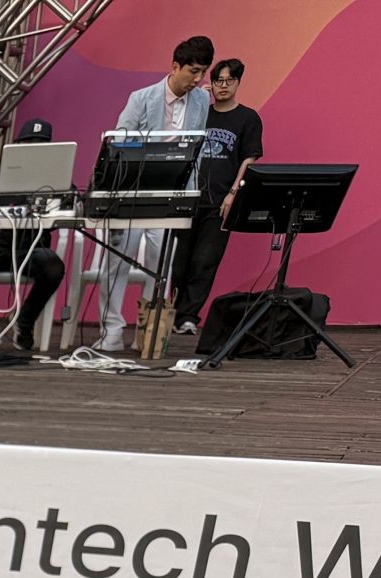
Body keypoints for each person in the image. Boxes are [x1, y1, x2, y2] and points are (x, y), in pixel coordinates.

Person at [97, 34, 215, 353]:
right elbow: (120, 142)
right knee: (117, 262)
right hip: (133, 193)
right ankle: (111, 330)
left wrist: (189, 193)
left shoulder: (201, 101)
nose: (198, 79)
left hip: (170, 196)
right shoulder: (141, 98)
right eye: (193, 71)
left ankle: (149, 333)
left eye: (203, 72)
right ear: (175, 66)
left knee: (160, 265)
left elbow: (196, 150)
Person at [0, 118, 67, 349]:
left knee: (53, 267)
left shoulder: (56, 177)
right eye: (28, 144)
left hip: (33, 250)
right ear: (18, 147)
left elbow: (71, 205)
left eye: (40, 146)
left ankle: (24, 322)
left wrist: (54, 205)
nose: (33, 150)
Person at [174, 59, 264, 336]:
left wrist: (234, 193)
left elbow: (248, 158)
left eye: (229, 81)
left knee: (205, 261)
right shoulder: (199, 113)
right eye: (218, 81)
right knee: (177, 261)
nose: (223, 86)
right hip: (186, 198)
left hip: (220, 202)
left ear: (238, 82)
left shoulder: (247, 118)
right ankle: (168, 313)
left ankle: (187, 317)